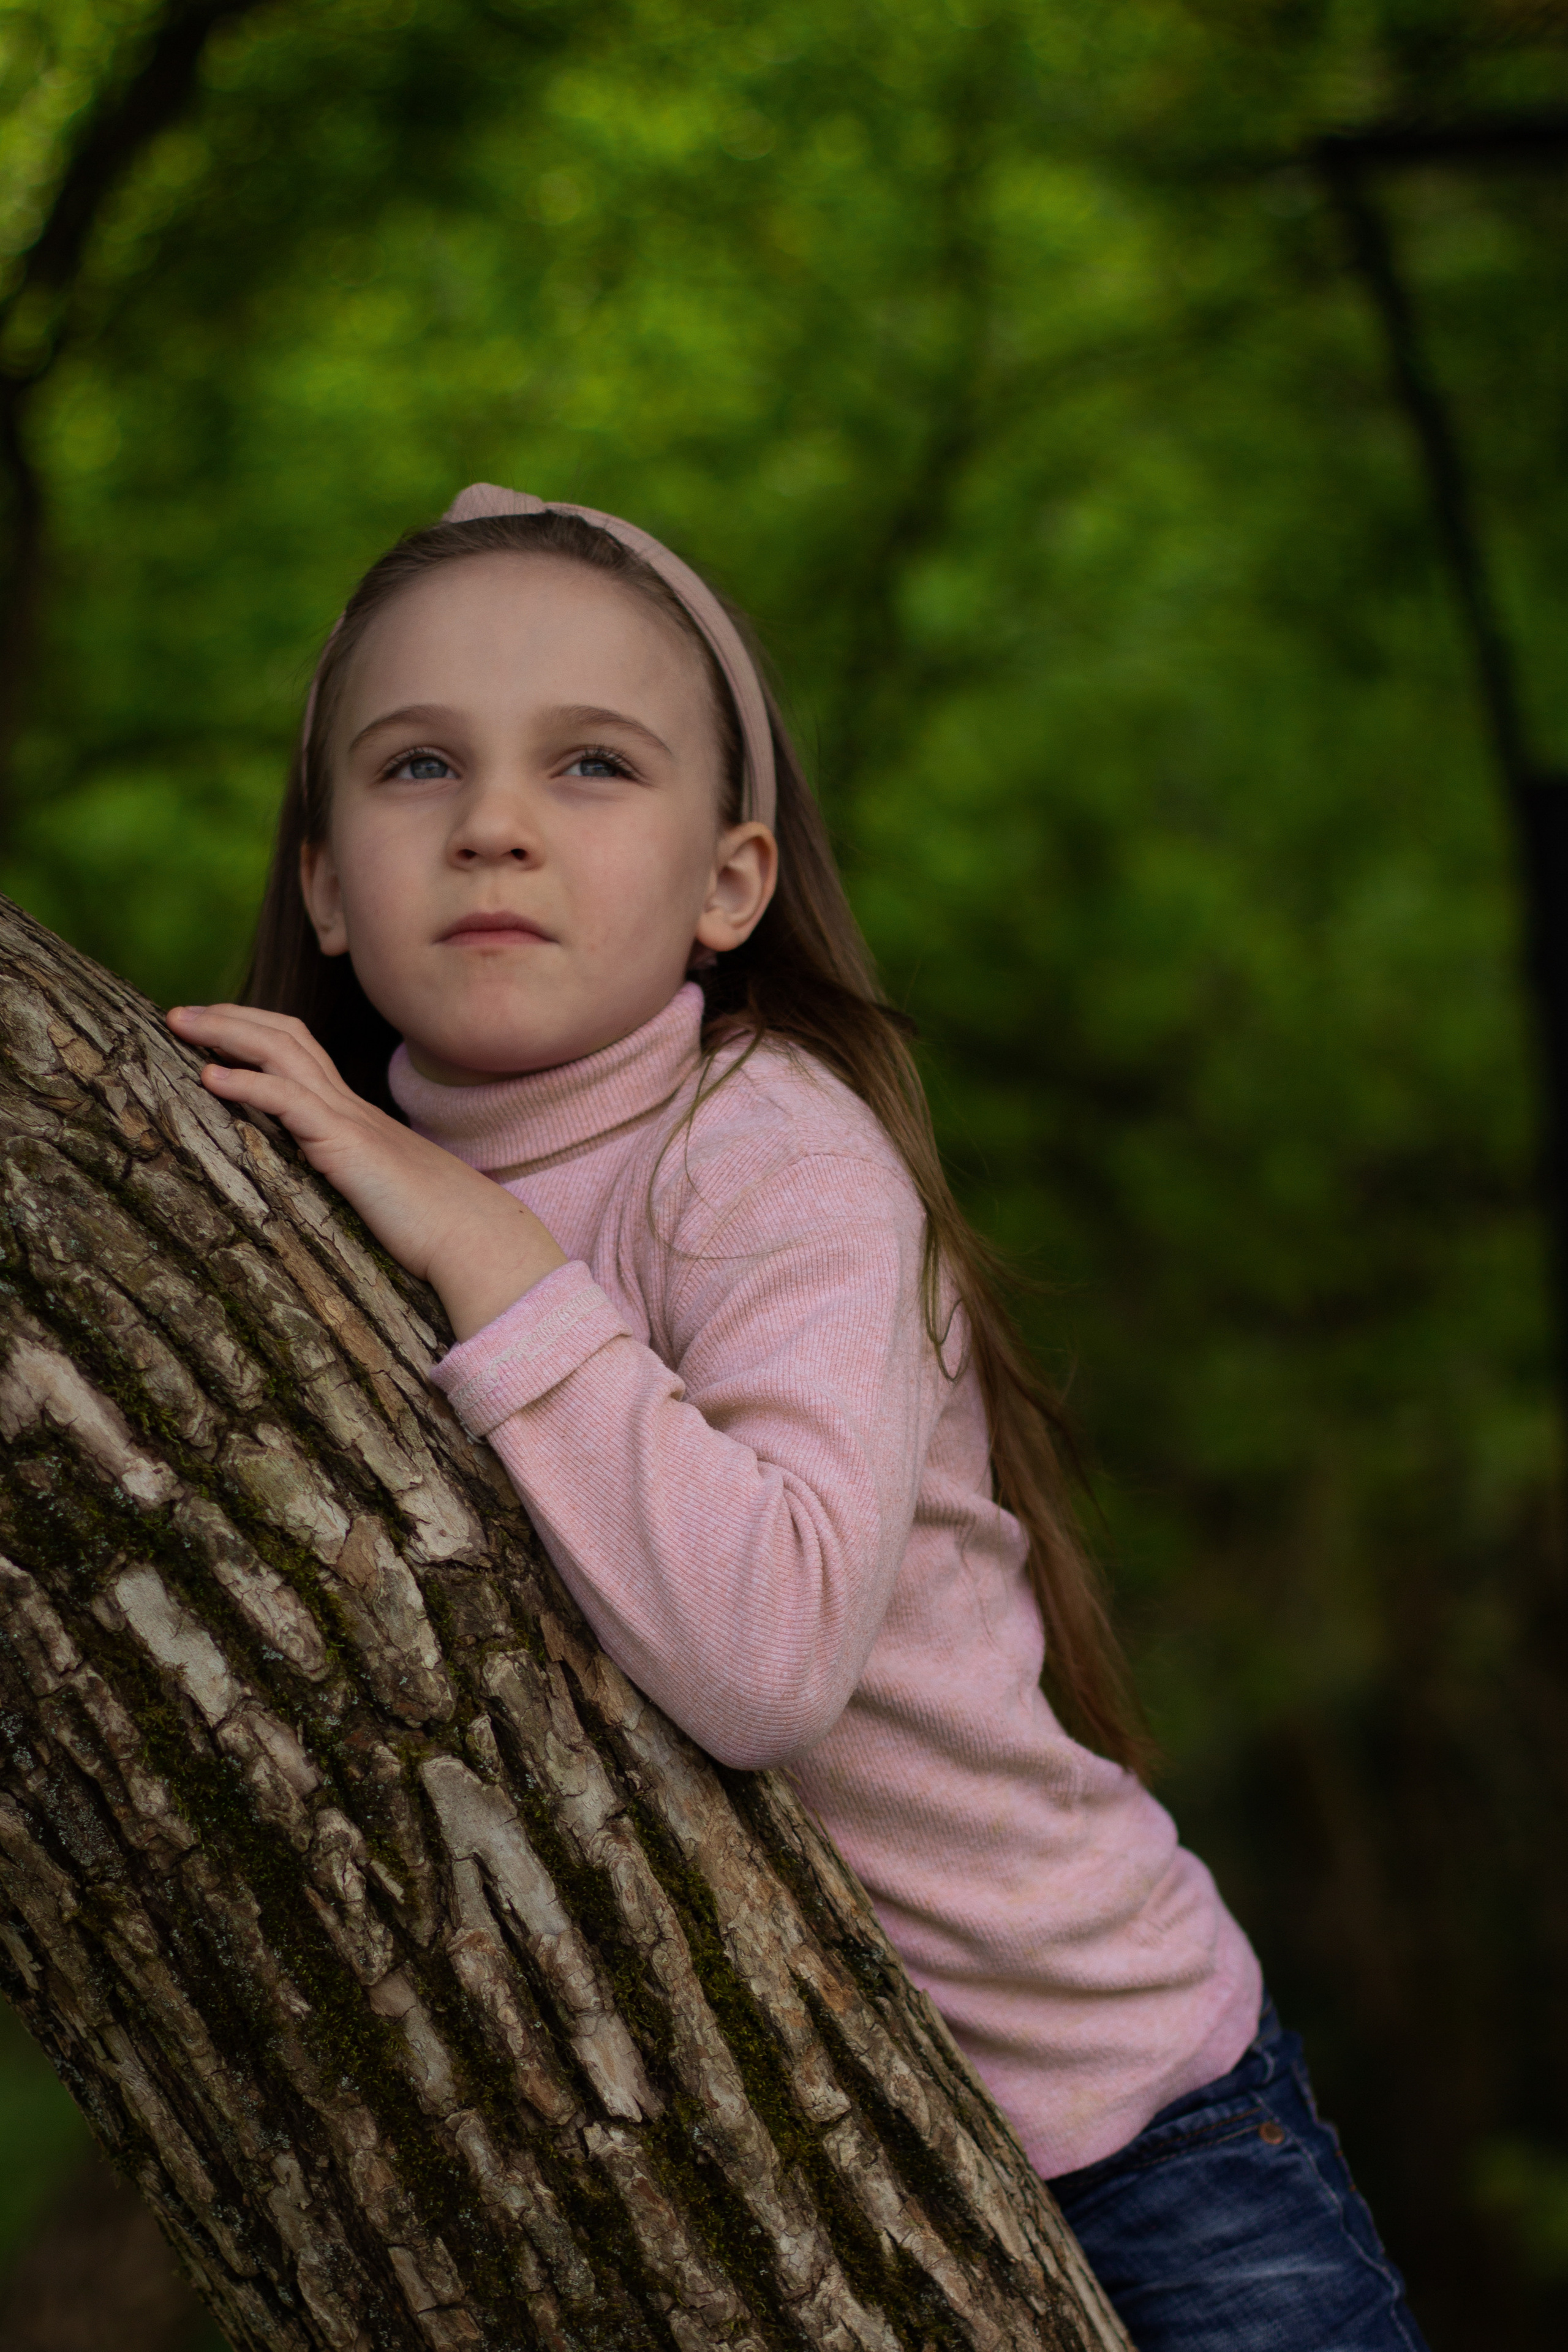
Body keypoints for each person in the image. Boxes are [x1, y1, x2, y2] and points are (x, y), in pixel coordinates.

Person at [168, 484, 1428, 2352]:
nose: (496, 824)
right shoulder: (308, 1190)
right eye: (417, 766)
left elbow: (764, 1659)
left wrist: (480, 1243)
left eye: (592, 766)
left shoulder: (763, 1151)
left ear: (729, 882)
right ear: (328, 886)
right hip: (728, 2146)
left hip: (1138, 2132)